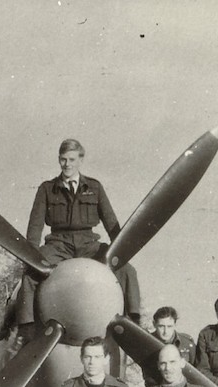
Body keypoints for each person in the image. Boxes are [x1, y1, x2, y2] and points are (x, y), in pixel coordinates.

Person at [17, 138, 141, 331]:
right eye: (63, 159)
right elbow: (35, 227)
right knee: (31, 274)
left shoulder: (95, 187)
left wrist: (122, 251)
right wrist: (31, 255)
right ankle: (26, 327)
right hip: (58, 244)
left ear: (80, 160)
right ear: (59, 160)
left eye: (72, 160)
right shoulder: (46, 189)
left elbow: (111, 223)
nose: (67, 164)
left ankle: (133, 320)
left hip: (89, 244)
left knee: (127, 270)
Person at [143, 306, 195, 387]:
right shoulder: (147, 343)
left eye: (169, 326)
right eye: (161, 326)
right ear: (154, 324)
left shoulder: (187, 343)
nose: (165, 331)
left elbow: (195, 372)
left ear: (175, 324)